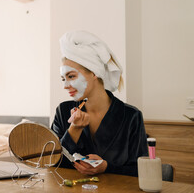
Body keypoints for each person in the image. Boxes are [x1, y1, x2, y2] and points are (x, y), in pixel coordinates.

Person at [51, 30, 148, 177]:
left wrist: (107, 167)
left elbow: (141, 171)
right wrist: (74, 130)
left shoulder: (131, 116)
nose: (65, 85)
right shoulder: (63, 111)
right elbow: (52, 163)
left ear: (94, 72)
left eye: (71, 76)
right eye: (63, 79)